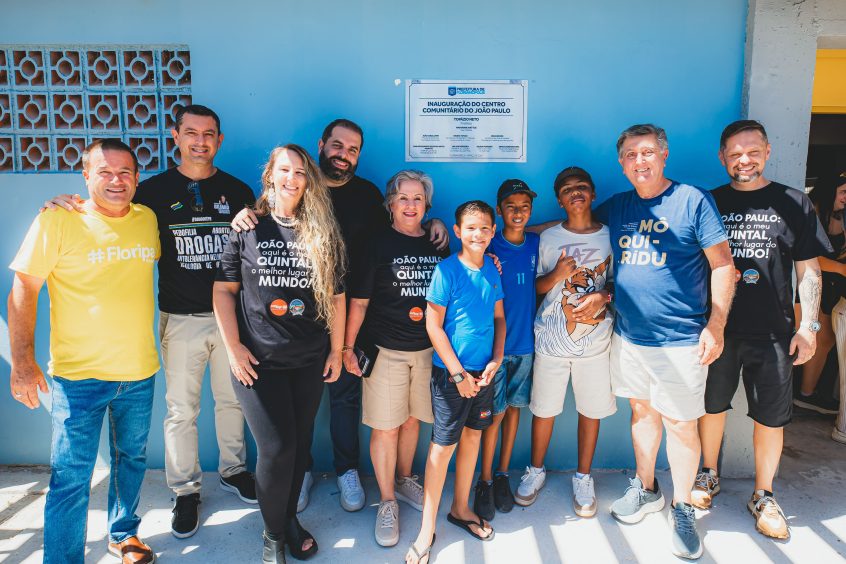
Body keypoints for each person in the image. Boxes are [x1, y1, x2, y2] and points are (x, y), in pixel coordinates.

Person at [43, 104, 257, 538]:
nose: (201, 141)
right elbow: (110, 211)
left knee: (233, 400)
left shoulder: (237, 190)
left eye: (209, 133)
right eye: (191, 132)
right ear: (174, 137)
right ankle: (186, 491)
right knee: (182, 409)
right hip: (179, 317)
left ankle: (234, 471)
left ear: (219, 139)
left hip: (232, 319)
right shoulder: (152, 191)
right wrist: (70, 205)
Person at [232, 119, 448, 513]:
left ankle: (347, 468)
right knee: (302, 402)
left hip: (351, 310)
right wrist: (246, 214)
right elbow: (272, 212)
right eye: (337, 146)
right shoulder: (303, 187)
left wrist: (432, 222)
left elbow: (403, 226)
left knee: (345, 396)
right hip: (298, 315)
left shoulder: (367, 195)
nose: (343, 155)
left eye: (352, 150)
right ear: (322, 145)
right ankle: (303, 470)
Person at [9, 139, 160, 564]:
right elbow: (24, 288)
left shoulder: (147, 219)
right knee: (71, 479)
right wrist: (22, 362)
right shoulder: (58, 219)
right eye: (105, 172)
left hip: (139, 371)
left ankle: (123, 533)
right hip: (78, 379)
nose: (116, 181)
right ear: (86, 175)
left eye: (125, 173)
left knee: (131, 459)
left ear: (136, 178)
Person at [596, 124, 735, 560]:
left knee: (680, 424)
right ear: (622, 163)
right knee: (641, 411)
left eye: (648, 152)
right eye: (631, 155)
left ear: (664, 155)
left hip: (680, 340)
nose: (641, 161)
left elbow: (723, 264)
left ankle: (683, 507)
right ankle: (647, 487)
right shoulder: (618, 206)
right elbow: (575, 224)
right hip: (630, 336)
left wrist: (717, 323)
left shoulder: (692, 200)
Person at [693, 120, 830, 540]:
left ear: (767, 151)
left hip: (775, 332)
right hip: (719, 328)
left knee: (771, 418)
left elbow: (809, 269)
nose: (744, 160)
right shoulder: (708, 203)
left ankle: (764, 494)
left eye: (752, 151)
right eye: (735, 153)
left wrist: (808, 326)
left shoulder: (793, 202)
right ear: (722, 157)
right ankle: (708, 475)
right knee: (711, 407)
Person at [213, 144, 346, 564]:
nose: (292, 178)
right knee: (276, 449)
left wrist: (337, 352)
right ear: (270, 174)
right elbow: (223, 291)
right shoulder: (247, 227)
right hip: (257, 362)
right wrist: (234, 348)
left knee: (298, 444)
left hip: (308, 361)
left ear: (309, 182)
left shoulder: (323, 232)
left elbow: (338, 299)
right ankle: (272, 535)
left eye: (300, 172)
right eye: (284, 170)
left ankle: (288, 521)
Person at [342, 170, 449, 547]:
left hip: (427, 351)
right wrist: (347, 346)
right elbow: (359, 301)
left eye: (418, 199)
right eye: (403, 198)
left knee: (411, 421)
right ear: (390, 203)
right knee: (385, 427)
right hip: (384, 350)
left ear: (427, 206)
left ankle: (405, 480)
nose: (410, 205)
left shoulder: (437, 242)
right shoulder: (376, 243)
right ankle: (387, 501)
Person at [406, 200, 505, 564]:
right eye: (471, 228)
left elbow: (499, 318)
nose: (478, 234)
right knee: (441, 449)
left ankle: (460, 508)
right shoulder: (446, 271)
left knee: (474, 438)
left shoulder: (493, 270)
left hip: (485, 373)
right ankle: (425, 529)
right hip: (452, 376)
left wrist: (496, 358)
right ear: (458, 231)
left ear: (492, 233)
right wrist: (458, 374)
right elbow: (433, 325)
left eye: (485, 228)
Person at [515, 167, 617, 518]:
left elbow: (621, 282)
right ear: (559, 199)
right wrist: (557, 275)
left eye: (582, 187)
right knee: (544, 408)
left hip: (596, 342)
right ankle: (536, 470)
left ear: (593, 194)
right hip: (550, 339)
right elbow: (535, 286)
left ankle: (584, 476)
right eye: (568, 189)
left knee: (591, 409)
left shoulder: (610, 236)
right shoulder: (548, 238)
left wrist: (603, 294)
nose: (576, 193)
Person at [474, 179, 540, 521]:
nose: (518, 212)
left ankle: (501, 474)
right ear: (499, 211)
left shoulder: (536, 242)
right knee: (492, 416)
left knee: (514, 410)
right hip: (495, 350)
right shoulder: (488, 246)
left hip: (525, 346)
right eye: (511, 207)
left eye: (525, 206)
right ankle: (483, 480)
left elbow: (543, 233)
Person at [793, 170, 846, 415]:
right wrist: (842, 269)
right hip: (803, 287)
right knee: (798, 338)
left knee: (822, 342)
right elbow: (808, 258)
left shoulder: (841, 217)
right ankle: (791, 394)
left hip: (829, 288)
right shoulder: (811, 210)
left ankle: (806, 395)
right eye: (843, 192)